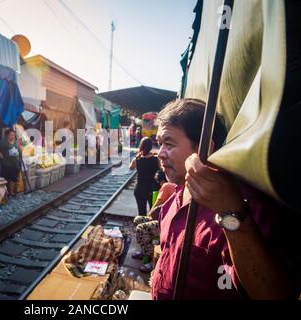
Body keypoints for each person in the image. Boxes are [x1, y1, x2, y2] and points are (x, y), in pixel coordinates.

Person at [151, 98, 301, 300]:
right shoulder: (175, 196)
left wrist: (232, 213)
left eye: (168, 143)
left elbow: (274, 294)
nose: (160, 153)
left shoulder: (246, 207)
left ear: (205, 149)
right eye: (159, 143)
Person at [132, 169, 176, 273]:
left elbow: (154, 210)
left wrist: (148, 217)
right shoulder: (173, 185)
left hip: (167, 223)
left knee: (141, 227)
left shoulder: (166, 186)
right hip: (167, 220)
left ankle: (151, 259)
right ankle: (144, 251)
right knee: (138, 219)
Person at [129, 137, 160, 215]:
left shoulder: (137, 159)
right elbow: (161, 168)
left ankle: (141, 226)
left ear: (141, 146)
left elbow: (131, 168)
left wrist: (138, 156)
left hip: (140, 189)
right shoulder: (156, 159)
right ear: (151, 147)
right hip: (153, 189)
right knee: (153, 213)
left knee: (141, 213)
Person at [0, 128, 22, 197]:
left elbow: (19, 150)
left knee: (13, 179)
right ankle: (6, 192)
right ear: (7, 135)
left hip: (15, 164)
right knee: (6, 178)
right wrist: (0, 154)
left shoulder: (15, 142)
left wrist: (20, 158)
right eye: (11, 135)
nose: (13, 136)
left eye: (14, 135)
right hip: (7, 164)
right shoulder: (3, 142)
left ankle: (11, 192)